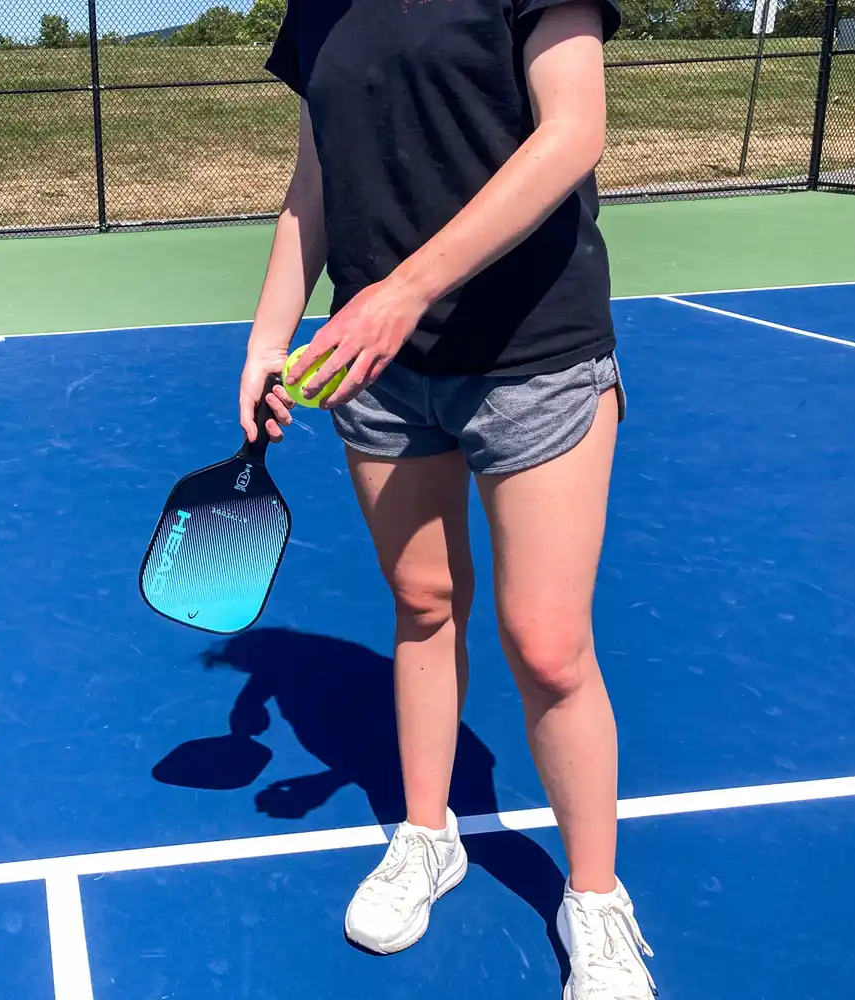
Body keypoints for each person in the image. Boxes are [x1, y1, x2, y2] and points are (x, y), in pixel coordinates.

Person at [238, 0, 656, 996]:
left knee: (548, 645)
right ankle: (430, 837)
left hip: (533, 354)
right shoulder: (317, 9)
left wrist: (406, 289)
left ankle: (596, 899)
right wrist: (266, 339)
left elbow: (574, 130)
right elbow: (315, 182)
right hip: (379, 371)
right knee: (423, 602)